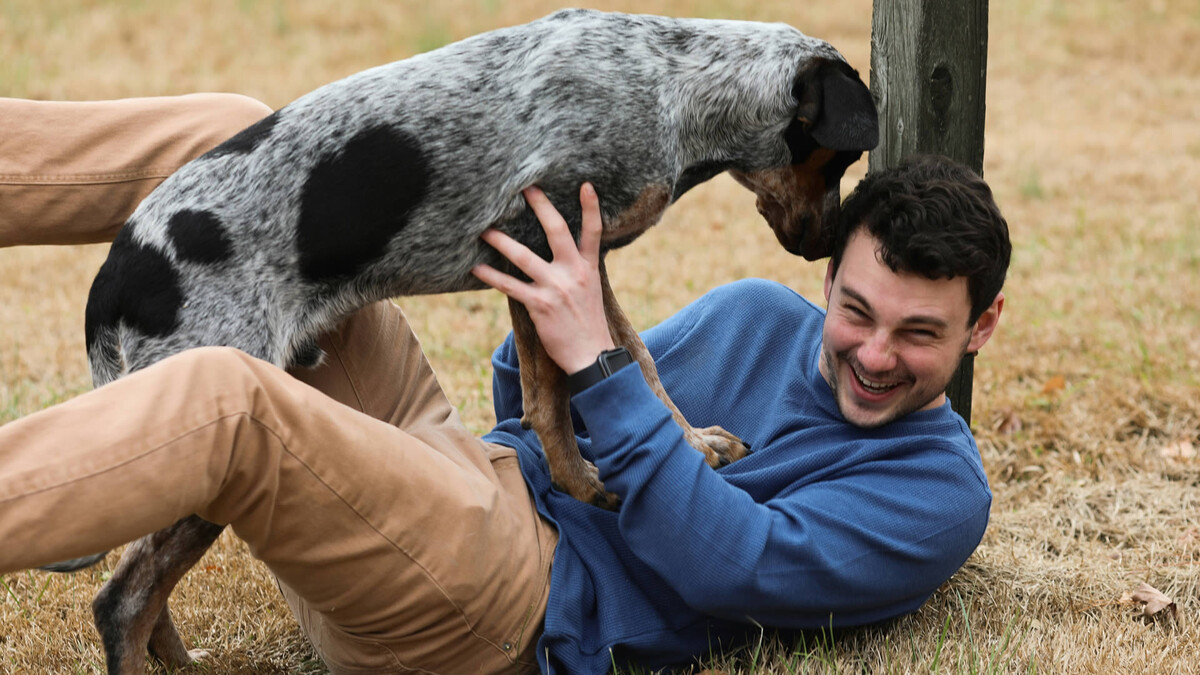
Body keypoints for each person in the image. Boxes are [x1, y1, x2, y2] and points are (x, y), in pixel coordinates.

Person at [0, 94, 1009, 674]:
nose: (875, 355)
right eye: (859, 312)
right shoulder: (756, 312)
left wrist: (600, 366)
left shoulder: (938, 494)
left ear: (982, 328)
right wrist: (546, 309)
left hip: (503, 599)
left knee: (230, 397)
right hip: (453, 475)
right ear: (828, 275)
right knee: (233, 141)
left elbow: (730, 567)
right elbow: (526, 406)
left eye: (920, 335)